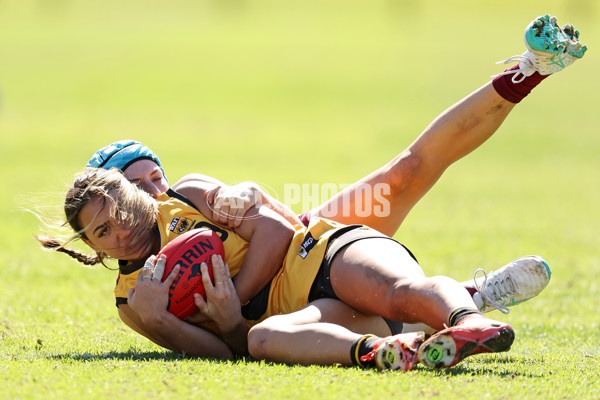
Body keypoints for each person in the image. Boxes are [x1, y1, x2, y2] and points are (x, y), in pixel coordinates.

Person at [38, 14, 583, 371]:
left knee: (406, 174)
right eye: (140, 186)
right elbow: (231, 347)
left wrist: (248, 199)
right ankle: (472, 299)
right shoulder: (135, 297)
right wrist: (168, 320)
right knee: (343, 318)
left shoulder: (189, 196)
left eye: (156, 175)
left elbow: (273, 225)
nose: (155, 191)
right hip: (294, 295)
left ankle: (527, 72)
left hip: (309, 241)